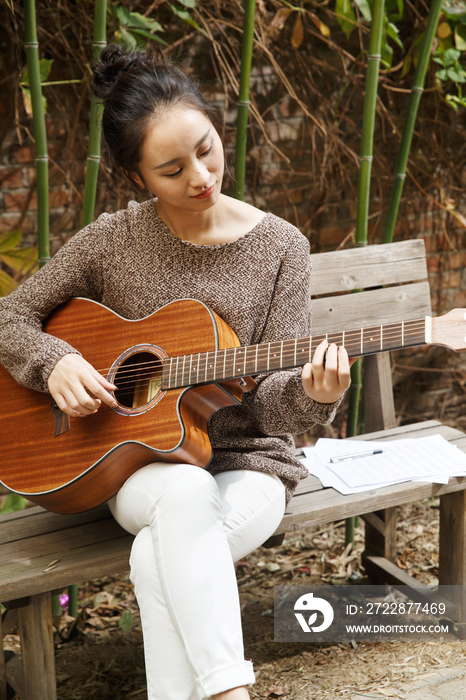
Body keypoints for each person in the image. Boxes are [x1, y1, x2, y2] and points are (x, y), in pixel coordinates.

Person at [0, 45, 352, 700]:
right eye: (171, 168)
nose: (201, 176)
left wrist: (311, 395)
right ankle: (229, 691)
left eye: (207, 148)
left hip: (249, 464)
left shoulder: (282, 247)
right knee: (181, 495)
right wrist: (57, 361)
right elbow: (9, 317)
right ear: (137, 177)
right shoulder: (110, 242)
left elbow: (273, 407)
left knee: (155, 557)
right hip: (137, 466)